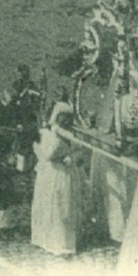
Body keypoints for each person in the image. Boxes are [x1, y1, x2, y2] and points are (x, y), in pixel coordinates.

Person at [29, 103, 81, 256]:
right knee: (49, 205)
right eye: (63, 118)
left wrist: (72, 157)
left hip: (65, 174)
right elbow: (46, 153)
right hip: (50, 174)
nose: (66, 121)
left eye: (68, 118)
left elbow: (79, 152)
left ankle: (63, 242)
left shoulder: (72, 135)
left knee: (63, 207)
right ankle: (45, 239)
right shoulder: (47, 134)